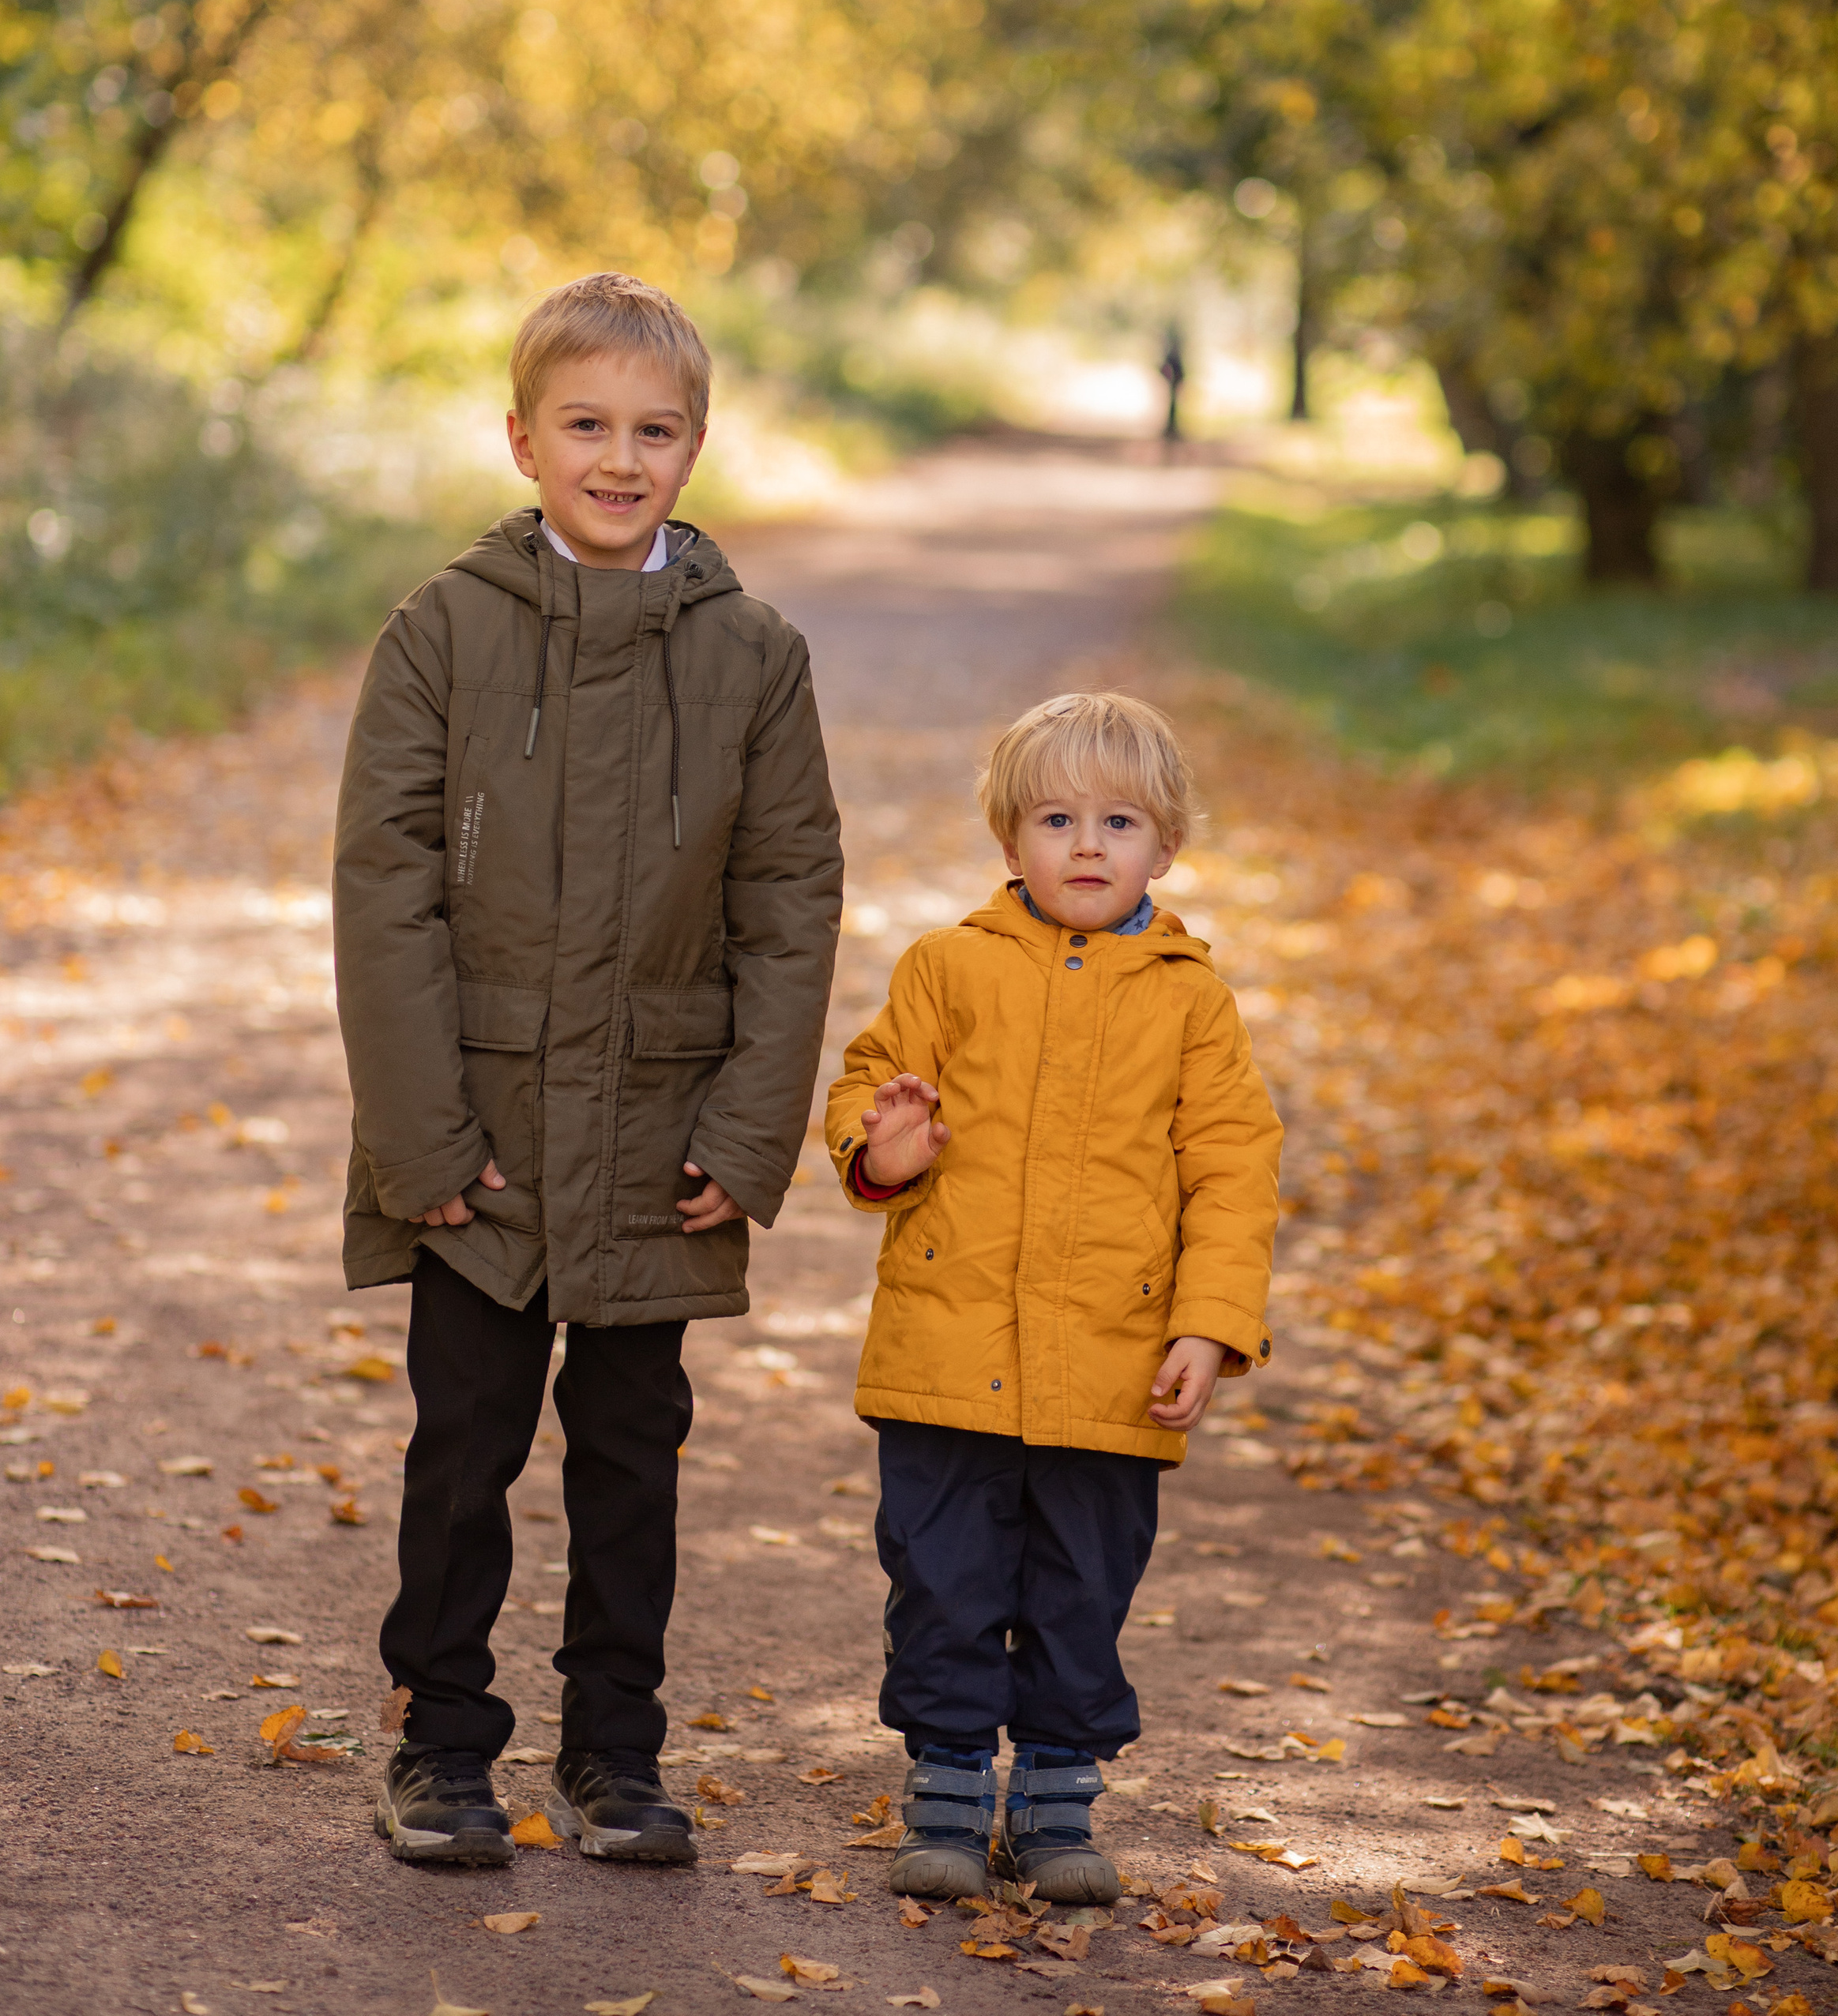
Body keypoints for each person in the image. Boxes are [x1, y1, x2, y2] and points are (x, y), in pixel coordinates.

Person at [333, 272, 842, 1872]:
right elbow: (383, 887)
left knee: (632, 1462)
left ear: (694, 449)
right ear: (522, 438)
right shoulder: (441, 631)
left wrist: (750, 1139)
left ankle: (615, 1753)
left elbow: (790, 900)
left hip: (659, 1137)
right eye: (585, 425)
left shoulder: (754, 657)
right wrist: (420, 1141)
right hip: (472, 1140)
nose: (617, 458)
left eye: (652, 430)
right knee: (461, 1451)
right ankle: (438, 1744)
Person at [823, 691, 1281, 1906]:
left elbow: (1233, 1168)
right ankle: (949, 1786)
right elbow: (869, 1087)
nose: (1088, 846)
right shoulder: (949, 967)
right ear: (1009, 842)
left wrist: (1209, 1323)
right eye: (1057, 820)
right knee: (943, 1576)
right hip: (946, 1346)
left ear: (1165, 847)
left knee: (1082, 1583)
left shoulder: (1191, 999)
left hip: (1113, 1359)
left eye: (1119, 821)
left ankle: (1059, 1796)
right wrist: (887, 1147)